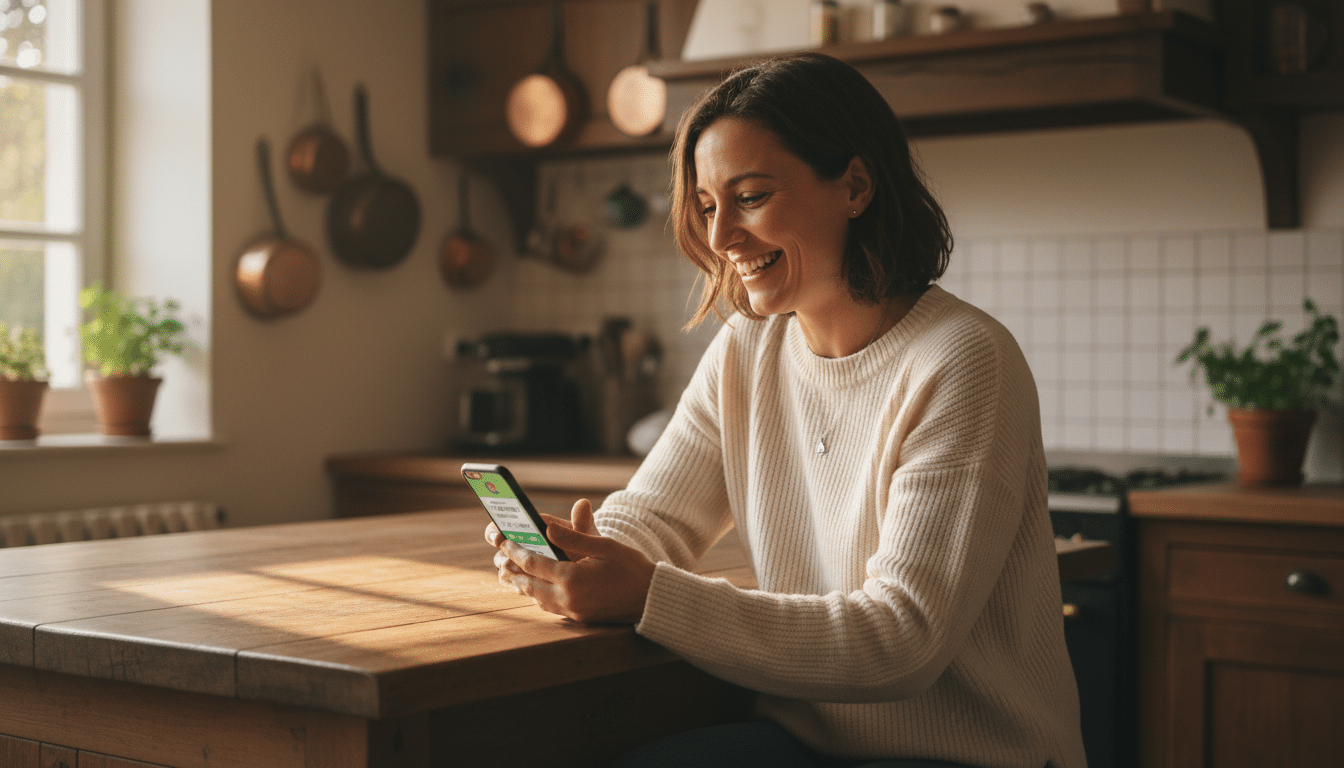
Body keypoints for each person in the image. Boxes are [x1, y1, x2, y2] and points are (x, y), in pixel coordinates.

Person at [484, 52, 1086, 768]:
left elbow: (901, 640)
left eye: (750, 197)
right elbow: (657, 518)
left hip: (972, 757)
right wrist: (577, 557)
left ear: (854, 186)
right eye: (709, 206)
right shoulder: (749, 348)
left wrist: (648, 596)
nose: (720, 239)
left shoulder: (962, 361)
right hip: (807, 742)